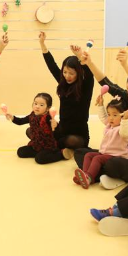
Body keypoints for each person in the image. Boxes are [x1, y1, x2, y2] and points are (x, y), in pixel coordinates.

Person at [74, 48, 128, 188]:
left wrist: (125, 65)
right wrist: (89, 63)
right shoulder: (124, 97)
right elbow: (106, 82)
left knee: (112, 164)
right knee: (80, 152)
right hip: (114, 153)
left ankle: (102, 175)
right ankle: (93, 175)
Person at [38, 32, 94, 161]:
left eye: (71, 73)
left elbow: (89, 74)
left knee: (72, 141)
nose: (67, 76)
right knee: (31, 131)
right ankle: (64, 151)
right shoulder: (63, 83)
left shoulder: (85, 87)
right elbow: (51, 65)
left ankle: (58, 147)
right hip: (62, 130)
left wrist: (79, 55)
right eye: (64, 72)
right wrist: (42, 43)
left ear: (78, 73)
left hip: (78, 135)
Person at [74, 98, 128, 189]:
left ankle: (89, 177)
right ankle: (85, 175)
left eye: (115, 115)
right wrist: (101, 105)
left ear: (122, 115)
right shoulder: (110, 125)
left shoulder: (124, 128)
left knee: (97, 158)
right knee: (88, 155)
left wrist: (125, 119)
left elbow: (124, 134)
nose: (111, 118)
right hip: (105, 153)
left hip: (116, 155)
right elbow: (103, 117)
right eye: (109, 114)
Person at [5, 92, 61, 164]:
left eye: (41, 105)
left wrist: (56, 125)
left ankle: (61, 154)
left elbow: (58, 132)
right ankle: (41, 153)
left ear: (48, 108)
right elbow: (21, 121)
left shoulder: (47, 117)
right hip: (36, 144)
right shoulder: (32, 115)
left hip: (48, 146)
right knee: (20, 152)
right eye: (35, 103)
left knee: (39, 159)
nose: (37, 106)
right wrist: (12, 117)